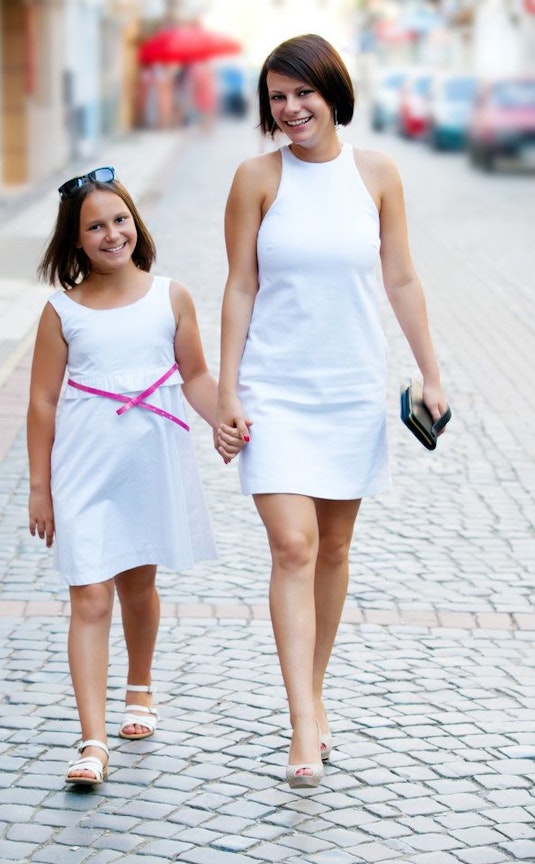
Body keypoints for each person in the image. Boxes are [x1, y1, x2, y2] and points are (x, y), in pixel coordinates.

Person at [216, 34, 449, 789]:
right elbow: (240, 286)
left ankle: (314, 697)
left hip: (349, 387)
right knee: (293, 546)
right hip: (274, 391)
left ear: (332, 92)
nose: (288, 110)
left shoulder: (376, 173)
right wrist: (228, 389)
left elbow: (401, 276)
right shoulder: (255, 178)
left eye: (301, 94)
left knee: (335, 551)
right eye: (276, 98)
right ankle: (300, 726)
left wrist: (430, 371)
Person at [27, 166, 243, 786]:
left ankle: (140, 685)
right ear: (75, 241)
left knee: (137, 585)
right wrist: (41, 488)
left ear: (135, 224)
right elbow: (42, 402)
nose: (110, 233)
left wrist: (222, 420)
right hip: (84, 468)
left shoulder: (170, 296)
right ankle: (92, 741)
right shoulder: (60, 312)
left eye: (119, 219)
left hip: (150, 461)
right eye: (94, 226)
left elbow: (196, 375)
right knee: (89, 594)